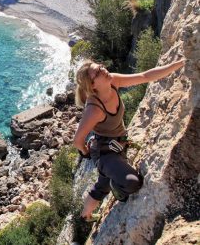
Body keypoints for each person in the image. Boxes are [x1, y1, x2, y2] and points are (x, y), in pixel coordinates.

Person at [73, 58, 186, 222]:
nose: (104, 70)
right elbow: (77, 140)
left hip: (118, 144)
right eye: (98, 72)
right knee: (132, 183)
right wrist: (86, 153)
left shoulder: (113, 81)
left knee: (102, 185)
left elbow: (145, 76)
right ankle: (115, 186)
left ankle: (85, 216)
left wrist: (178, 64)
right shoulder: (94, 109)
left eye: (101, 67)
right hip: (105, 153)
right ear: (92, 85)